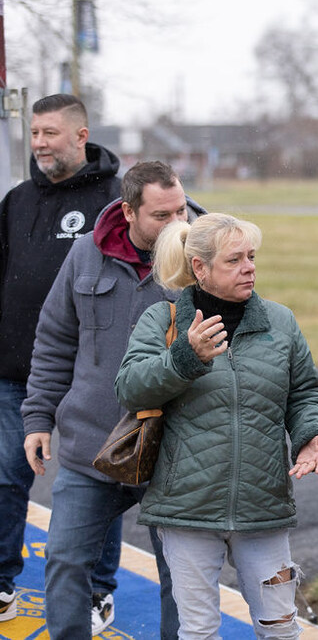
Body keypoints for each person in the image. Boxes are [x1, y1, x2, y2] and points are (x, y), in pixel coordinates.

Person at [115, 212, 318, 638]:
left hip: (262, 506)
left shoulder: (280, 321)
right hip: (187, 509)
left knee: (281, 628)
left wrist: (311, 437)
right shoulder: (162, 321)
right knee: (198, 631)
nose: (249, 267)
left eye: (251, 256)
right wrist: (185, 357)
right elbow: (130, 389)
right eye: (234, 260)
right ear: (200, 267)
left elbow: (305, 392)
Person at [20, 160, 202, 637]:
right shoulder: (86, 254)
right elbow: (55, 339)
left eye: (180, 210)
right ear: (128, 212)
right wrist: (38, 417)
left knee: (182, 577)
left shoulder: (207, 252)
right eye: (161, 215)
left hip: (176, 450)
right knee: (63, 562)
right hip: (93, 448)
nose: (176, 224)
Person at [0, 93, 125, 627]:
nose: (40, 144)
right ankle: (2, 580)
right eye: (34, 133)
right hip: (15, 374)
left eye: (51, 133)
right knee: (6, 478)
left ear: (81, 135)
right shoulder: (17, 200)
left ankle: (97, 589)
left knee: (102, 483)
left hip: (89, 376)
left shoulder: (117, 199)